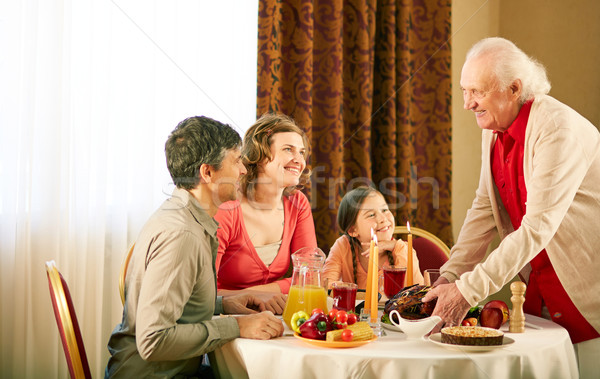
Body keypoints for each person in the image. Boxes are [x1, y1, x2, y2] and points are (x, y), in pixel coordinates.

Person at [422, 37, 600, 378]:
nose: (466, 103)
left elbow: (536, 229)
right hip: (537, 300)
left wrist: (466, 292)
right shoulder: (495, 127)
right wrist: (450, 276)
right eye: (464, 90)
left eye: (477, 91)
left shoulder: (557, 129)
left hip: (586, 301)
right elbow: (485, 207)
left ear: (513, 88)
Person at [105, 116, 284, 378]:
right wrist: (236, 326)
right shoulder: (182, 236)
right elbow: (153, 340)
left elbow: (177, 304)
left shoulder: (183, 215)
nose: (244, 170)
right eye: (236, 161)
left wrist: (224, 304)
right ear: (207, 173)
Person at [214, 113, 317, 314]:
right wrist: (256, 296)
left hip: (272, 314)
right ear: (259, 156)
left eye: (302, 152)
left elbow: (310, 276)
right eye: (288, 150)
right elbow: (203, 293)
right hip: (226, 317)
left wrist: (258, 294)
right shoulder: (227, 208)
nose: (299, 160)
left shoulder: (297, 203)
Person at [323, 186, 424, 290]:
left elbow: (416, 292)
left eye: (385, 210)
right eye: (371, 215)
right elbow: (326, 285)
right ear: (353, 230)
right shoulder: (343, 246)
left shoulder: (403, 250)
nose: (383, 219)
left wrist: (395, 246)